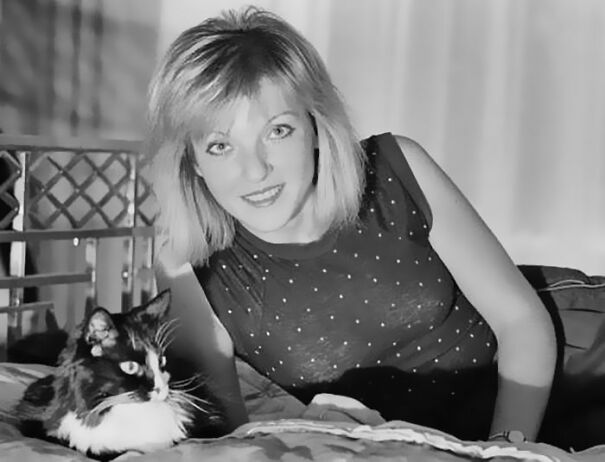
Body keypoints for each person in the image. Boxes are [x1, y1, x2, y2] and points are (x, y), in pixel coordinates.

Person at [146, 5, 561, 447]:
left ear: (315, 125)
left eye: (277, 131)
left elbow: (521, 323)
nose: (255, 170)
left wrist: (506, 449)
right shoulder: (189, 264)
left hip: (544, 402)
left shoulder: (395, 170)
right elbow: (233, 437)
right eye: (220, 145)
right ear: (192, 160)